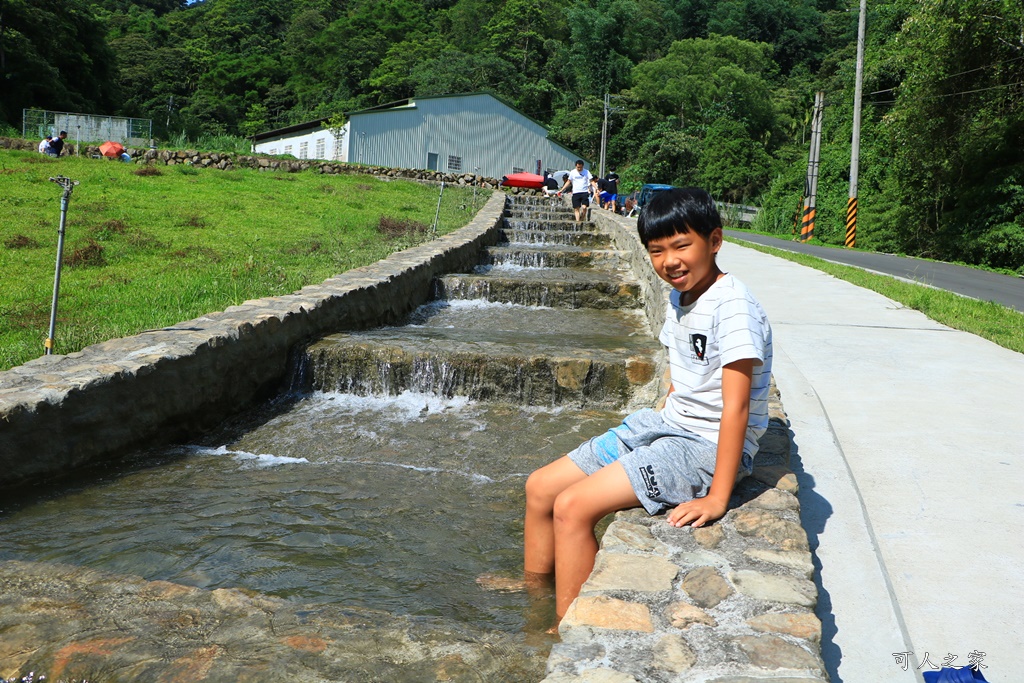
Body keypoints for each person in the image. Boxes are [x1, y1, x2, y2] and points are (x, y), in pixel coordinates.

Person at [523, 187, 773, 628]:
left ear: (714, 241)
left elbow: (735, 409)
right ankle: (535, 592)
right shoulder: (681, 297)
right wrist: (666, 407)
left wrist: (718, 495)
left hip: (705, 447)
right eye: (656, 251)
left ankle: (567, 626)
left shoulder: (733, 305)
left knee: (573, 507)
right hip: (665, 425)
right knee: (541, 488)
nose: (669, 261)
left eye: (682, 246)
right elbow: (684, 369)